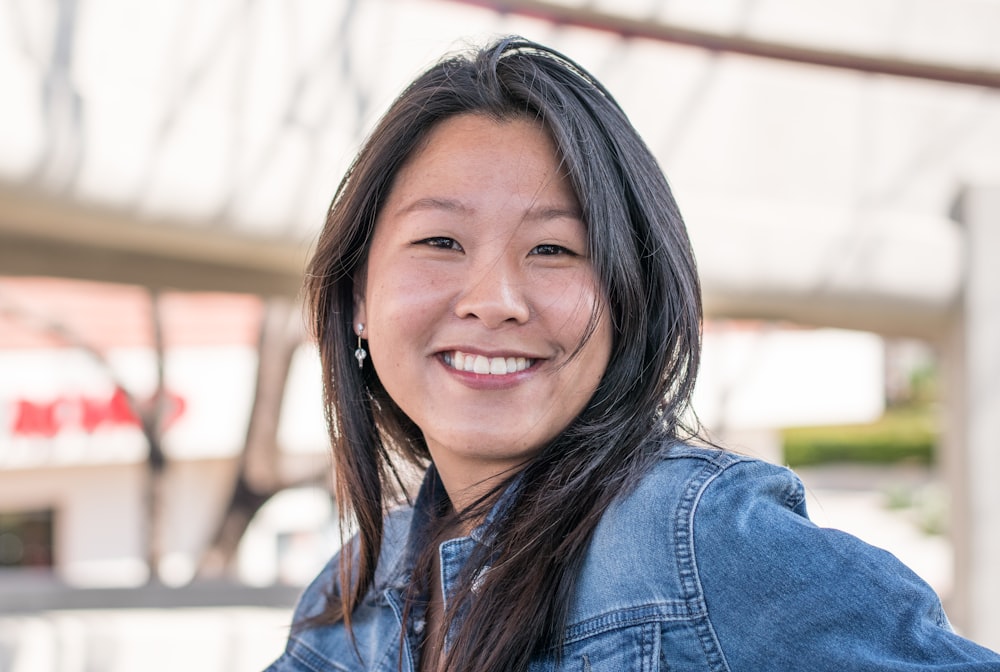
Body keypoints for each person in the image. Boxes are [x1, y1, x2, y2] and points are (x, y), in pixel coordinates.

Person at [266, 36, 1000, 672]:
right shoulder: (357, 593)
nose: (494, 299)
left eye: (554, 249)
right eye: (440, 242)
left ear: (629, 298)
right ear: (358, 293)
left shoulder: (695, 539)